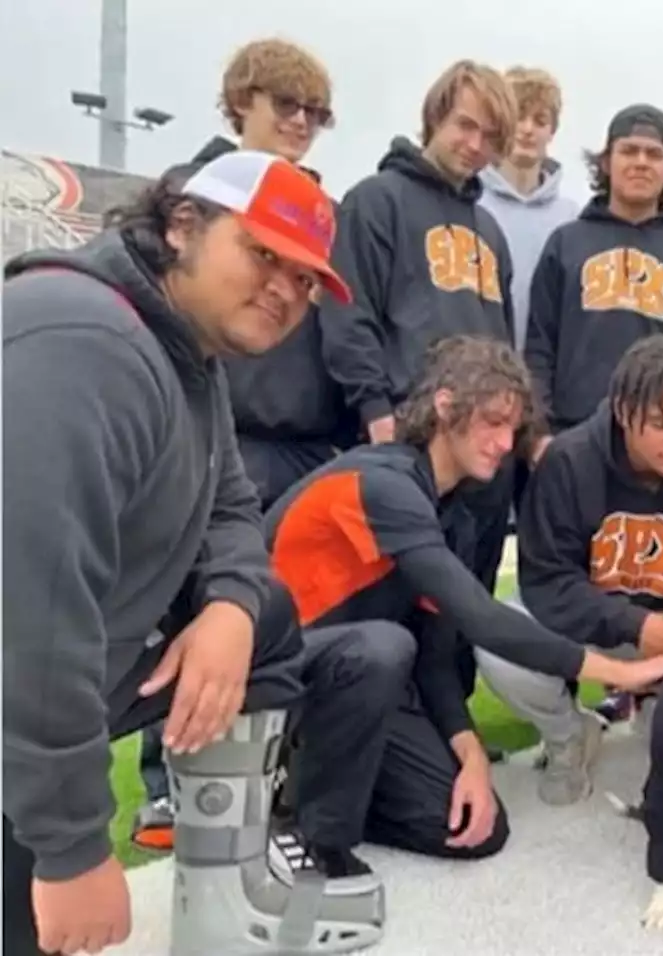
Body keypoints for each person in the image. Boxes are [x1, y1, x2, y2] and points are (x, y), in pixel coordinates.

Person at [2, 151, 375, 956]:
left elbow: (232, 507)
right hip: (20, 703)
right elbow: (29, 612)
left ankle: (222, 905)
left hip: (68, 680)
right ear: (182, 226)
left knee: (269, 617)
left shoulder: (188, 355)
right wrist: (71, 848)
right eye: (263, 253)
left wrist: (233, 608)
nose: (286, 288)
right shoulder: (83, 339)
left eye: (306, 278)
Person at [265, 334, 663, 864]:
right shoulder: (379, 483)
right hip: (275, 671)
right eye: (492, 421)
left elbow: (437, 658)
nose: (506, 443)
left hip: (356, 685)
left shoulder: (452, 516)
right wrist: (620, 672)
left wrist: (471, 755)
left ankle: (307, 783)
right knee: (385, 646)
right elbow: (483, 620)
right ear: (444, 405)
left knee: (477, 830)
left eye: (513, 427)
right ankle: (312, 833)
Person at [132, 36, 353, 853]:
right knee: (180, 607)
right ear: (240, 104)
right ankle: (165, 788)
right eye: (283, 105)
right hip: (216, 435)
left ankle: (260, 776)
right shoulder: (197, 199)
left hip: (289, 441)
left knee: (269, 613)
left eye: (314, 113)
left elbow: (342, 330)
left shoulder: (319, 211)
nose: (299, 123)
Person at [479, 335, 663, 804]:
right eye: (661, 424)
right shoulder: (568, 460)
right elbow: (548, 582)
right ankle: (569, 735)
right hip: (593, 623)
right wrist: (637, 626)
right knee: (498, 640)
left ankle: (662, 711)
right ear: (622, 410)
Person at [318, 58, 529, 598]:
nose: (474, 144)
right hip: (410, 444)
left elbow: (502, 343)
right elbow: (349, 314)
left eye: (490, 135)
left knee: (462, 619)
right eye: (465, 124)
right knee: (398, 614)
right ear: (435, 117)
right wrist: (375, 412)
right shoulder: (375, 200)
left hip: (481, 455)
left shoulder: (490, 231)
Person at [522, 103, 663, 443]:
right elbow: (539, 349)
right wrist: (536, 436)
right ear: (606, 162)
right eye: (629, 151)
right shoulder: (565, 244)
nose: (640, 162)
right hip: (573, 440)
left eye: (653, 154)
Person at [477, 65, 579, 356]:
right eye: (519, 116)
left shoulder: (571, 218)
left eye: (540, 120)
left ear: (552, 131)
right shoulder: (472, 205)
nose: (527, 129)